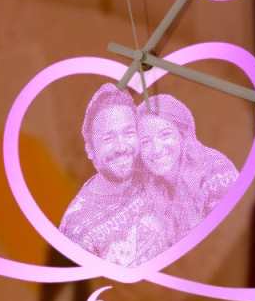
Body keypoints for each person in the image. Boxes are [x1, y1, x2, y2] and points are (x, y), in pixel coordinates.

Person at [59, 84, 170, 267]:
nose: (121, 147)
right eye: (108, 138)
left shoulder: (155, 175)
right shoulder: (77, 228)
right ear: (90, 150)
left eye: (128, 133)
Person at [136, 94, 238, 242]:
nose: (156, 149)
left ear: (182, 134)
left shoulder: (216, 170)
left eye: (165, 135)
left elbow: (227, 238)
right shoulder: (149, 185)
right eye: (145, 141)